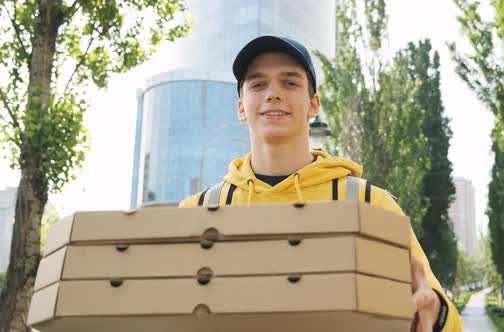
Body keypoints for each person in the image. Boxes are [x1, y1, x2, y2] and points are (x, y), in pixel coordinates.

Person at [179, 35, 463, 331]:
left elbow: (440, 314)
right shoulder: (197, 213)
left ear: (313, 105)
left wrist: (437, 311)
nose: (273, 93)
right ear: (241, 107)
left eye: (289, 83)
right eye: (258, 84)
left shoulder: (368, 205)